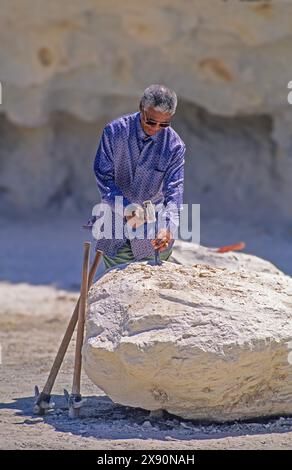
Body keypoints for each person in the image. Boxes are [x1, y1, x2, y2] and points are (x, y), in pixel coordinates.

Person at [85, 84, 186, 270]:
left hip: (153, 237)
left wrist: (169, 228)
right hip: (114, 233)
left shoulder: (174, 146)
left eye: (164, 124)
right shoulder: (114, 133)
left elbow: (175, 190)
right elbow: (104, 177)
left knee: (152, 294)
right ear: (141, 107)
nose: (156, 128)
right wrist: (126, 208)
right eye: (151, 121)